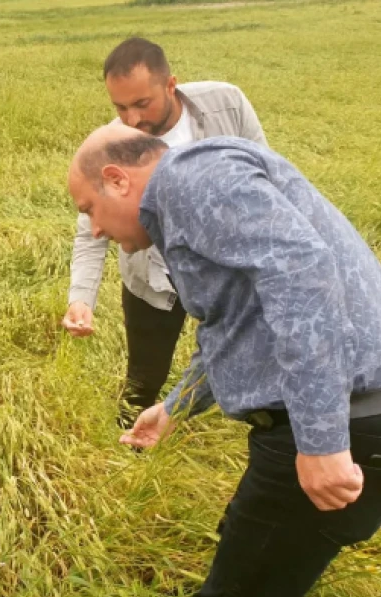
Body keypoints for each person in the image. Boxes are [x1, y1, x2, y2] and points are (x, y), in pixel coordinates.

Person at [67, 125, 381, 597]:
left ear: (117, 179)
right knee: (257, 579)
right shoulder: (191, 193)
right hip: (367, 420)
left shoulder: (190, 179)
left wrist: (322, 442)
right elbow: (242, 326)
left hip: (346, 424)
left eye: (88, 208)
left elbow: (301, 274)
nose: (94, 231)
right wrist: (175, 407)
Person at [62, 37, 268, 427]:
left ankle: (234, 420)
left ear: (171, 85)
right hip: (152, 278)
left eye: (143, 104)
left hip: (223, 269)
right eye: (120, 108)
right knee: (144, 375)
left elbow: (263, 175)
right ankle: (132, 439)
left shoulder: (226, 104)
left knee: (235, 353)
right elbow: (90, 228)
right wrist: (81, 298)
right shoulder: (115, 142)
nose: (134, 120)